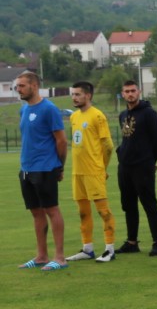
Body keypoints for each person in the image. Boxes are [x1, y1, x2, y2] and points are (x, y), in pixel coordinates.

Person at [16, 71, 68, 271]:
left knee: (51, 210)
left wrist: (59, 166)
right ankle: (41, 256)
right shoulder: (23, 110)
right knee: (36, 212)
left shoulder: (49, 109)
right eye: (17, 86)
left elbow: (61, 141)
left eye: (22, 86)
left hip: (45, 168)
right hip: (26, 169)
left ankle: (60, 257)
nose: (18, 89)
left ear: (34, 86)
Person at [65, 81, 117, 263]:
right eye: (73, 94)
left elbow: (108, 146)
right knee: (83, 212)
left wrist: (102, 168)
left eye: (78, 94)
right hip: (77, 172)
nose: (74, 97)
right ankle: (87, 249)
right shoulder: (74, 117)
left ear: (88, 95)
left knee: (103, 211)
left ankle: (110, 249)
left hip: (93, 171)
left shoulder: (98, 116)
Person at [116, 79, 157, 256]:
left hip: (143, 166)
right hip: (125, 167)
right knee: (128, 205)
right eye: (127, 91)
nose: (130, 94)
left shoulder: (149, 113)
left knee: (149, 203)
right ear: (123, 94)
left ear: (139, 92)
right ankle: (131, 242)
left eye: (133, 91)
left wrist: (152, 161)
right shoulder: (123, 115)